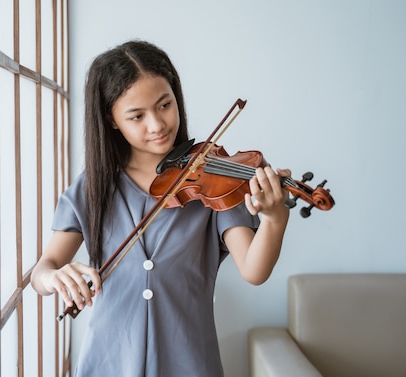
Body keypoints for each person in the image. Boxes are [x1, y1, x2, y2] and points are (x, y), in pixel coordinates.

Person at [30, 40, 290, 377]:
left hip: (189, 363)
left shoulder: (214, 177)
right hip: (109, 363)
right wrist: (53, 276)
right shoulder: (92, 187)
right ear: (111, 120)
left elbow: (254, 271)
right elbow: (41, 272)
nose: (157, 125)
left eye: (164, 105)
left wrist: (274, 218)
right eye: (136, 116)